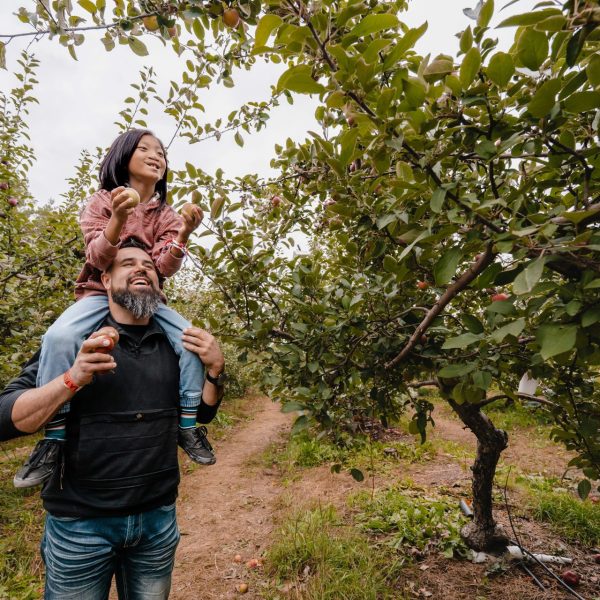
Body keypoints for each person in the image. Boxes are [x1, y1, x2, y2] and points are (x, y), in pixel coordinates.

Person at [0, 243, 226, 599]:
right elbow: (5, 418)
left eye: (149, 265)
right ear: (104, 279)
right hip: (81, 526)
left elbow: (202, 414)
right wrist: (71, 379)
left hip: (157, 519)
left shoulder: (175, 344)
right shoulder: (74, 342)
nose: (142, 269)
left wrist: (214, 369)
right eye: (128, 264)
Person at [15, 129, 215, 489]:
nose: (157, 156)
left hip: (148, 297)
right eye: (145, 149)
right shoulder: (100, 202)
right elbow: (97, 257)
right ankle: (54, 437)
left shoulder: (166, 214)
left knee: (190, 341)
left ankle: (188, 426)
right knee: (60, 336)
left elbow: (163, 267)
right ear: (122, 156)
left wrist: (183, 234)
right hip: (96, 292)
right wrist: (118, 220)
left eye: (162, 153)